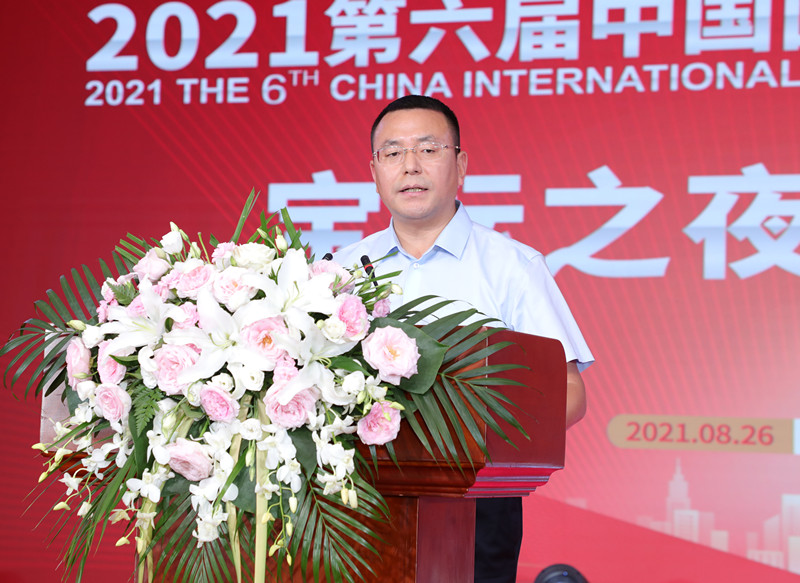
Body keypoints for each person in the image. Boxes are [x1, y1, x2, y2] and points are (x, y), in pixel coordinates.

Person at [334, 95, 593, 583]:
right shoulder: (339, 271)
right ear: (374, 171)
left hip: (476, 501)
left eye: (428, 149)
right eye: (393, 152)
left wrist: (480, 437)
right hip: (350, 502)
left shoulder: (512, 267)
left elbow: (570, 393)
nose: (410, 165)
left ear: (461, 165)